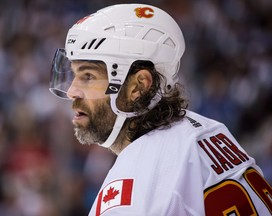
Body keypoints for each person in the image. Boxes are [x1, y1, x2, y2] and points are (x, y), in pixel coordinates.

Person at [49, 3, 272, 216]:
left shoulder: (137, 180)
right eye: (74, 74)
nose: (72, 91)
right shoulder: (209, 130)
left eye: (88, 76)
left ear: (139, 86)